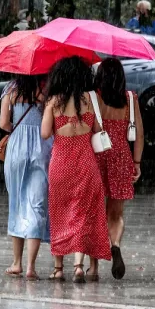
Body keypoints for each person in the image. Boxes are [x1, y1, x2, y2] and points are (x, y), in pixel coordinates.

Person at [41, 56, 110, 283]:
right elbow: (98, 129)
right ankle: (79, 265)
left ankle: (58, 268)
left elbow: (44, 133)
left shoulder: (53, 102)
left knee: (60, 213)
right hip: (86, 165)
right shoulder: (91, 101)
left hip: (61, 165)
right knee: (82, 213)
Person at [92, 58, 144, 280]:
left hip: (98, 156)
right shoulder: (130, 100)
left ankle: (92, 266)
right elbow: (139, 134)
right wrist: (137, 162)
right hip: (122, 157)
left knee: (94, 212)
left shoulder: (95, 99)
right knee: (116, 213)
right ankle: (114, 244)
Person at [0, 74, 53, 280]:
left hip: (17, 149)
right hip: (42, 148)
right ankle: (31, 266)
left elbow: (3, 122)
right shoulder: (45, 91)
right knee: (37, 205)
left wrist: (18, 130)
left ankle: (17, 263)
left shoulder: (10, 89)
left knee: (17, 203)